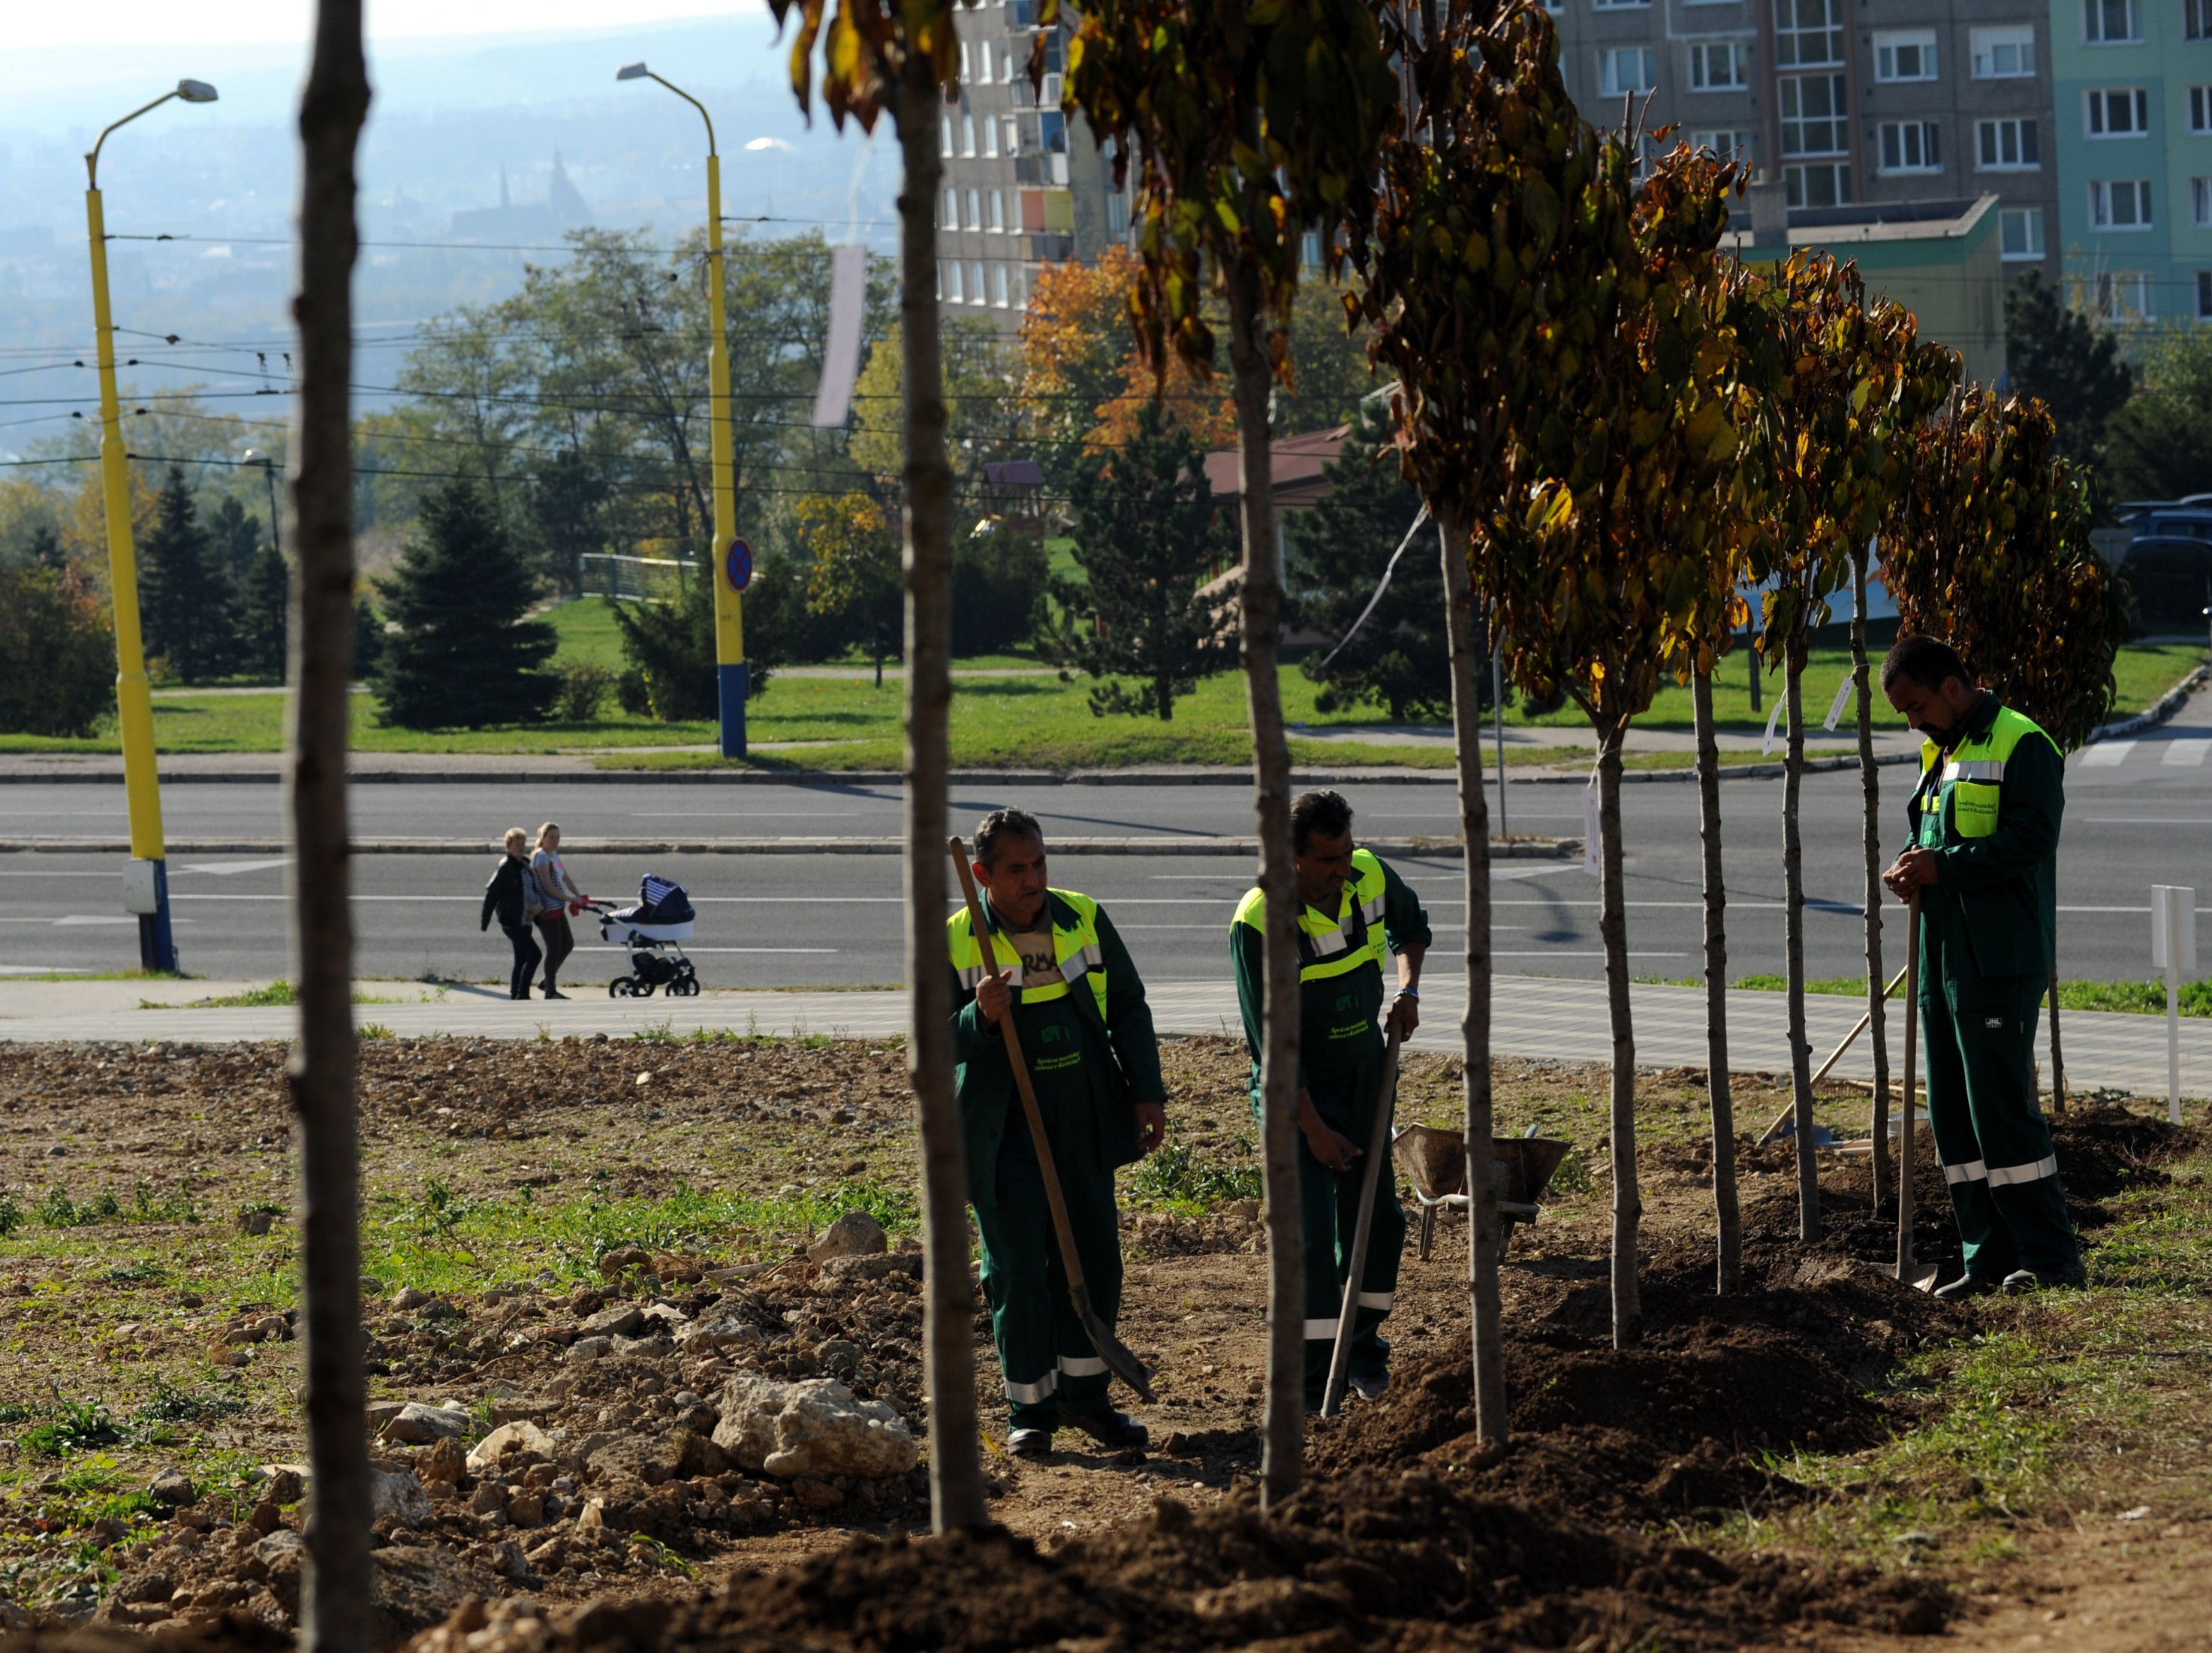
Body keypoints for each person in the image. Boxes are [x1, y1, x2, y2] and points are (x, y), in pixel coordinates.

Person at [949, 807, 1167, 1460]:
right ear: (983, 875)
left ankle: (1086, 1397)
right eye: (1016, 869)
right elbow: (932, 1037)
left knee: (1095, 1257)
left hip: (1083, 1118)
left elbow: (1127, 1004)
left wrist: (1146, 1090)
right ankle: (1030, 1410)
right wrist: (977, 1018)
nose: (1033, 878)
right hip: (1005, 1129)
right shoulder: (960, 938)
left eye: (1039, 862)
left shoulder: (1082, 917)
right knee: (1018, 1270)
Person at [1880, 634, 2084, 1298]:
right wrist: (1913, 861)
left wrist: (1945, 867)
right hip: (1942, 952)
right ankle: (1986, 1254)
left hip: (1999, 955)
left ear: (1951, 685)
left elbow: (2031, 838)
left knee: (1999, 1108)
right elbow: (1935, 830)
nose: (1911, 722)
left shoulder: (2023, 742)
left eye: (1914, 707)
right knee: (1951, 1113)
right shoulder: (1942, 748)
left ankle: (2051, 1257)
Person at [1231, 789, 1427, 1407]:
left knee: (1380, 1221)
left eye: (1346, 853)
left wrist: (1408, 992)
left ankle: (1363, 1347)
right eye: (1327, 860)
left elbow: (1411, 928)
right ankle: (1315, 1372)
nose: (1343, 869)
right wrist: (1314, 1130)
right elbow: (1273, 1048)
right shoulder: (1258, 921)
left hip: (1366, 1074)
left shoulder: (1365, 870)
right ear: (1290, 858)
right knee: (1313, 1236)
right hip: (1299, 1091)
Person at [479, 827, 542, 1000]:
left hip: (525, 919)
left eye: (522, 843)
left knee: (521, 959)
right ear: (508, 847)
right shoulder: (506, 868)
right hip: (512, 921)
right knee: (535, 955)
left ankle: (515, 994)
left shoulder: (524, 865)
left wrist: (536, 909)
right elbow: (492, 895)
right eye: (516, 844)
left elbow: (532, 889)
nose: (520, 847)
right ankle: (523, 994)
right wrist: (485, 921)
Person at [529, 822, 589, 1000]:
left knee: (567, 944)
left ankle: (547, 981)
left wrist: (578, 895)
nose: (555, 841)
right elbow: (547, 887)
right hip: (547, 909)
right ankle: (550, 991)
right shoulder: (541, 858)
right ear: (542, 839)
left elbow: (564, 876)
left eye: (558, 838)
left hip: (557, 906)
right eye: (551, 838)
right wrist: (571, 899)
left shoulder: (552, 855)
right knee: (554, 948)